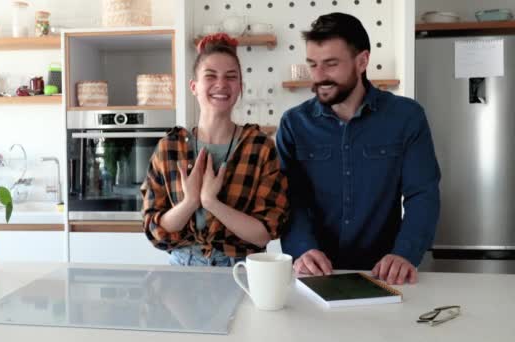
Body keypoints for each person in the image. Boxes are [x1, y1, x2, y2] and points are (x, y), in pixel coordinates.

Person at [276, 13, 440, 285]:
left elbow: (423, 193)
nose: (319, 76)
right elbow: (289, 198)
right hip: (314, 274)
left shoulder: (407, 117)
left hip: (385, 273)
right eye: (313, 64)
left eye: (330, 64)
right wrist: (302, 248)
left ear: (362, 61)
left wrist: (404, 253)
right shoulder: (294, 124)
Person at [141, 33, 289, 267]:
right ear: (194, 86)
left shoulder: (260, 147)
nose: (221, 84)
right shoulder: (169, 147)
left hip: (241, 268)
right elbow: (154, 230)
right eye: (210, 76)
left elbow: (265, 233)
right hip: (181, 269)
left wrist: (211, 202)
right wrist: (190, 201)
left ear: (240, 87)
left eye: (231, 77)